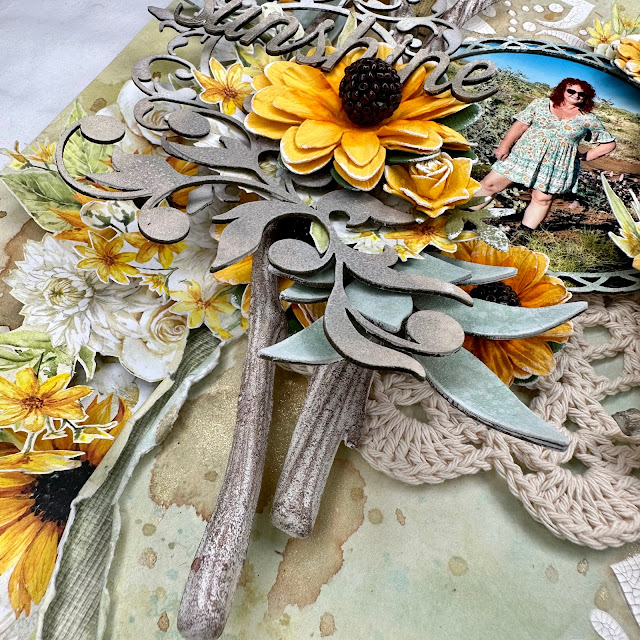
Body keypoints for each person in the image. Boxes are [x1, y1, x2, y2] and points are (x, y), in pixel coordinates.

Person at [473, 77, 616, 230]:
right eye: (571, 91)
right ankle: (464, 217)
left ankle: (523, 235)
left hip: (556, 165)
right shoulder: (540, 104)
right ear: (563, 90)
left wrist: (585, 156)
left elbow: (609, 144)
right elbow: (520, 125)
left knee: (542, 199)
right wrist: (504, 146)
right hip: (522, 155)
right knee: (489, 184)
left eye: (581, 94)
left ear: (586, 97)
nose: (576, 95)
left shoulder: (588, 119)